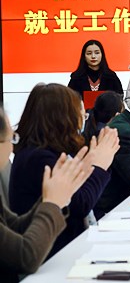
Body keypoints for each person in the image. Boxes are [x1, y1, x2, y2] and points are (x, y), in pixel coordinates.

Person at [10, 83, 119, 256]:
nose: (82, 120)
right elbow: (80, 204)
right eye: (80, 114)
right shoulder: (40, 159)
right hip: (52, 253)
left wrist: (91, 165)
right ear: (62, 118)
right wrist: (99, 166)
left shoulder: (47, 151)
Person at [0, 105, 95, 283]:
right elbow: (26, 257)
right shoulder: (38, 157)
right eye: (11, 138)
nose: (12, 147)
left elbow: (14, 226)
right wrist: (52, 203)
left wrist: (52, 197)